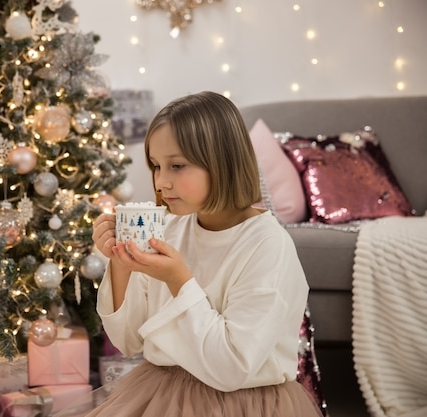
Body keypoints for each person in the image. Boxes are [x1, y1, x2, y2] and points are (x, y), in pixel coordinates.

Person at [88, 91, 324, 417]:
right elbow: (128, 341)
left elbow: (231, 368)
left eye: (177, 166)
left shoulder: (266, 245)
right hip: (161, 393)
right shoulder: (169, 230)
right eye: (156, 167)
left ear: (222, 162)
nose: (161, 182)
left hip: (244, 403)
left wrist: (178, 281)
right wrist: (121, 264)